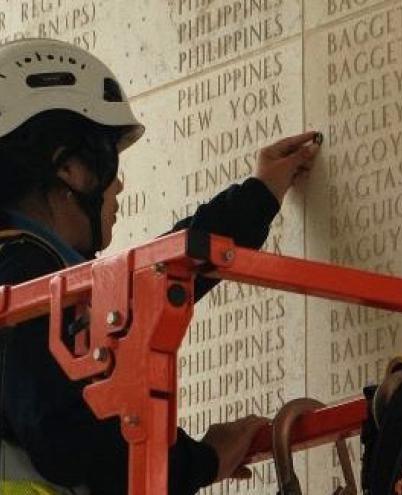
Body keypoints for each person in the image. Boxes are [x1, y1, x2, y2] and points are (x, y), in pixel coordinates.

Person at [0, 38, 320, 494]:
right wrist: (202, 461)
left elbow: (153, 279)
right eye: (109, 159)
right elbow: (68, 438)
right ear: (69, 167)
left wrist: (259, 195)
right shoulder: (27, 280)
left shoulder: (26, 274)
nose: (121, 186)